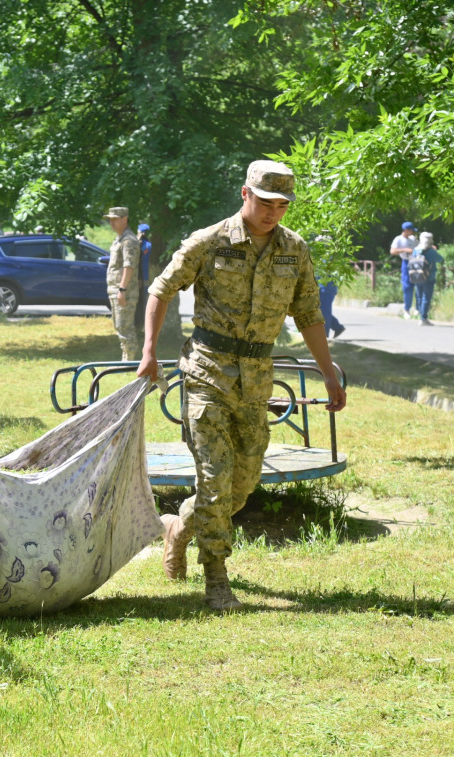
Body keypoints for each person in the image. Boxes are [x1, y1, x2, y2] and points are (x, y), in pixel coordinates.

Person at [136, 160, 347, 612]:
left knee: (241, 487)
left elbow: (309, 314)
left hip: (256, 381)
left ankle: (178, 527)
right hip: (206, 373)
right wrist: (149, 351)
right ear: (245, 194)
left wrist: (329, 371)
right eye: (266, 202)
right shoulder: (209, 241)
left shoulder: (294, 249)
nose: (274, 213)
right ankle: (217, 581)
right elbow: (161, 289)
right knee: (215, 479)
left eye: (282, 206)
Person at [104, 207, 141, 360]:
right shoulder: (119, 238)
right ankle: (126, 357)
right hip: (116, 290)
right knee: (119, 325)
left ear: (125, 219)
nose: (111, 222)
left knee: (125, 326)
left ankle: (129, 360)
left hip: (125, 291)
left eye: (115, 219)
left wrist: (122, 289)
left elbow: (129, 266)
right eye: (110, 219)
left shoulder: (128, 240)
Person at [314, 235, 346, 339]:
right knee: (321, 310)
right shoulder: (322, 256)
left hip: (327, 288)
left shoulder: (329, 257)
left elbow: (326, 273)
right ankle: (337, 327)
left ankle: (325, 334)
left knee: (324, 312)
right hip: (322, 287)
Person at [411, 231, 444, 326]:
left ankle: (420, 315)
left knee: (420, 296)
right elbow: (440, 259)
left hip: (417, 276)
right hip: (429, 277)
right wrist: (434, 250)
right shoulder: (431, 252)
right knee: (426, 297)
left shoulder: (416, 250)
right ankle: (423, 318)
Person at [390, 221, 418, 319]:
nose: (412, 233)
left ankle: (418, 309)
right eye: (411, 231)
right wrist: (404, 250)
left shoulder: (413, 239)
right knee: (407, 286)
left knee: (418, 284)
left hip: (416, 262)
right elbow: (393, 251)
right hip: (406, 262)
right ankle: (407, 308)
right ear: (406, 230)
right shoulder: (398, 239)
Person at [134, 223, 153, 334]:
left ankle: (139, 326)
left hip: (138, 279)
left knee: (139, 303)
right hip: (149, 278)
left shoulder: (136, 245)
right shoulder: (150, 246)